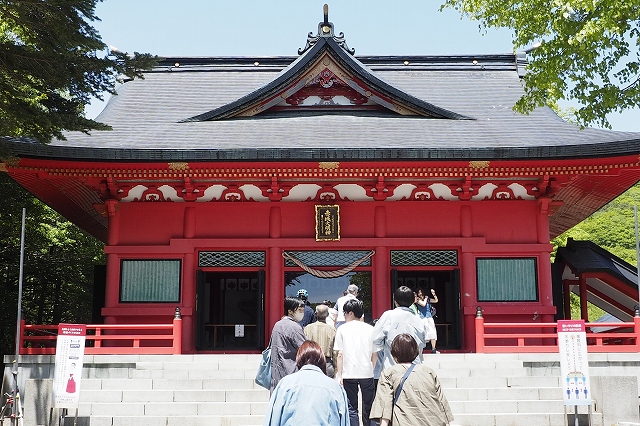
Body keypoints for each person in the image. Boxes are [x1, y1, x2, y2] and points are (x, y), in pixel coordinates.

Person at [370, 334, 454, 426]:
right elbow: (441, 403)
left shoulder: (389, 373)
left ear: (394, 353)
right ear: (416, 351)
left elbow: (385, 405)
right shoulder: (429, 372)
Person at [263, 340, 350, 426]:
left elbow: (272, 419)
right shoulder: (335, 388)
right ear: (322, 360)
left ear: (299, 359)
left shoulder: (285, 384)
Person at [334, 299, 379, 426]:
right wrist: (372, 369)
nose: (343, 315)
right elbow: (374, 355)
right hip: (367, 372)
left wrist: (340, 374)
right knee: (369, 406)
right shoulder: (371, 329)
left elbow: (340, 354)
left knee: (352, 408)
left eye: (344, 313)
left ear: (351, 313)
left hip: (349, 373)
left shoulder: (342, 329)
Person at [371, 286, 426, 371]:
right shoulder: (419, 320)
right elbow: (422, 344)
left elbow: (375, 339)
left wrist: (387, 345)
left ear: (395, 301)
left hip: (392, 366)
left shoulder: (388, 315)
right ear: (412, 301)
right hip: (414, 369)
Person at [269, 297, 307, 392]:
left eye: (303, 310)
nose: (302, 313)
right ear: (290, 311)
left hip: (277, 373)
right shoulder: (294, 327)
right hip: (292, 372)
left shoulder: (278, 324)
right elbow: (305, 349)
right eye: (299, 310)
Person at [304, 304, 337, 377]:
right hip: (327, 364)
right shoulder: (332, 330)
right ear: (328, 314)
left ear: (315, 314)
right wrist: (336, 368)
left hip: (311, 363)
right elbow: (335, 352)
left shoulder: (307, 328)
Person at [416, 288, 439, 353]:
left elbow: (436, 301)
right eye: (419, 292)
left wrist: (434, 294)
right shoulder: (417, 300)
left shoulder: (428, 299)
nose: (420, 294)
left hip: (429, 317)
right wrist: (426, 298)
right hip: (422, 318)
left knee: (433, 332)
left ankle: (433, 348)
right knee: (423, 333)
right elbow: (423, 304)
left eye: (421, 292)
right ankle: (420, 349)